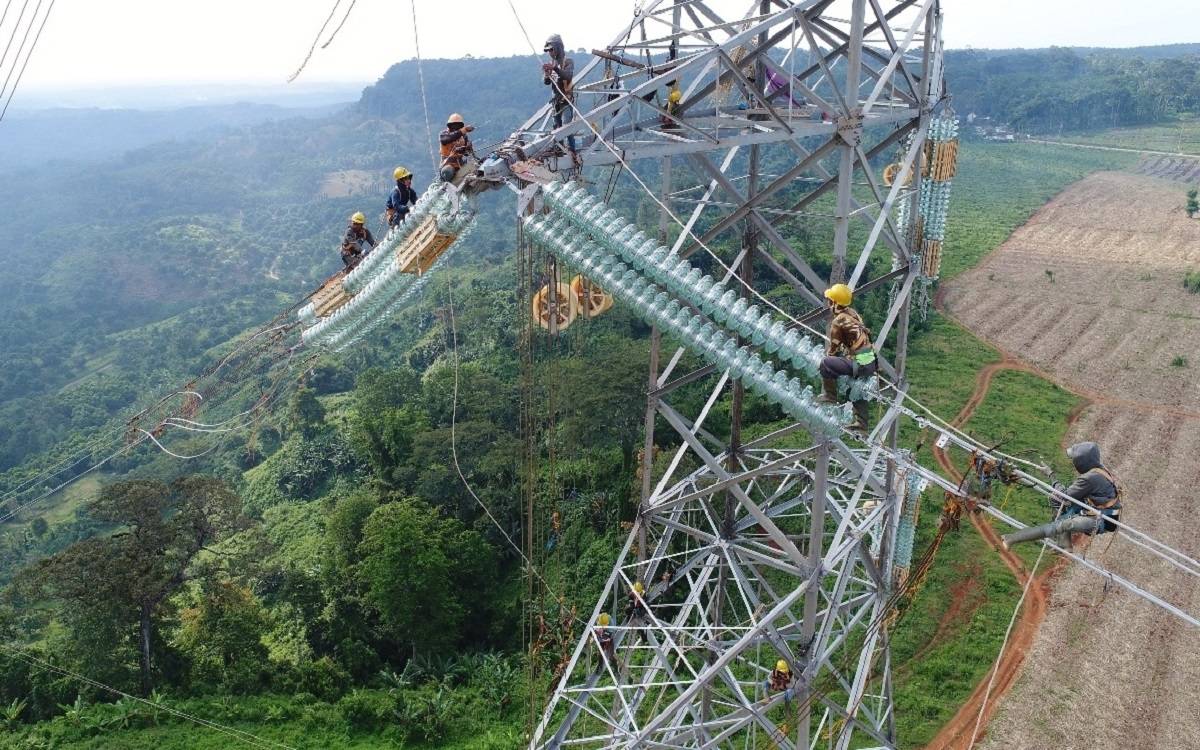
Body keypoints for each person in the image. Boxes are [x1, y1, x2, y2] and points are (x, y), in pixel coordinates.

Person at [1001, 442, 1122, 549]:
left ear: (1082, 462)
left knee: (1064, 524)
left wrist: (1051, 475)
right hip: (1096, 509)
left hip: (1104, 520)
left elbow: (1064, 496)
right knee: (1055, 499)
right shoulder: (1098, 469)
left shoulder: (1090, 478)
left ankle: (1012, 538)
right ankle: (1064, 543)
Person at [817, 283, 876, 433]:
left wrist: (831, 359)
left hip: (860, 363)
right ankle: (862, 423)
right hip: (870, 362)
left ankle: (830, 396)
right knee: (855, 389)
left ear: (834, 303)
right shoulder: (853, 314)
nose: (828, 303)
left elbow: (833, 347)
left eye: (830, 300)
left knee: (825, 364)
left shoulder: (838, 321)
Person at [542, 34, 578, 161]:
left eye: (551, 49)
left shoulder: (568, 61)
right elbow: (547, 82)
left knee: (567, 127)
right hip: (555, 101)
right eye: (548, 51)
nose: (550, 53)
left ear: (558, 48)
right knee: (556, 126)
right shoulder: (553, 63)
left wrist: (555, 68)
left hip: (566, 99)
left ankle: (572, 150)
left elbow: (568, 76)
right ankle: (559, 148)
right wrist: (546, 74)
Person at [439, 113, 475, 182]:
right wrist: (463, 130)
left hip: (460, 164)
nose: (455, 127)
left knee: (474, 166)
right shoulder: (444, 134)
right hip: (447, 164)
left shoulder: (463, 137)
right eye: (453, 125)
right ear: (449, 126)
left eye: (458, 125)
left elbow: (466, 153)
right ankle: (446, 184)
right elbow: (446, 139)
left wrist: (468, 148)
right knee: (447, 170)